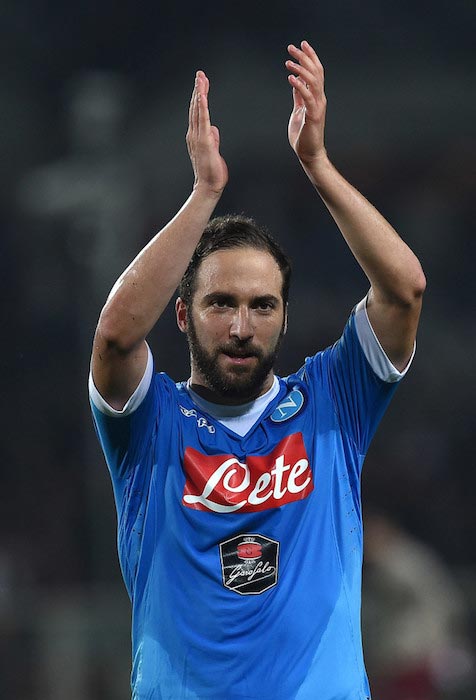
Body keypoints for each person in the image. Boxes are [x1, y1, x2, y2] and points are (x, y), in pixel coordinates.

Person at [89, 40, 425, 700]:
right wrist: (203, 195)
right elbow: (116, 336)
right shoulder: (151, 424)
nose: (242, 326)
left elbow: (405, 289)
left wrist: (320, 165)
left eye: (262, 306)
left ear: (284, 318)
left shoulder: (333, 399)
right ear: (182, 316)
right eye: (221, 303)